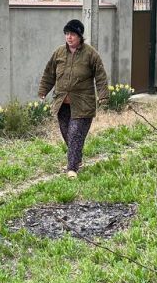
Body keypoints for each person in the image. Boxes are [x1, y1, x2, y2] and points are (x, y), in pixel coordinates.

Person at [37, 18, 109, 178]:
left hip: (83, 104)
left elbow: (101, 76)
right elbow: (49, 73)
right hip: (62, 103)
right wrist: (43, 90)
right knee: (67, 134)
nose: (69, 37)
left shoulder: (91, 54)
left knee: (75, 133)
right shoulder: (59, 53)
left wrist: (103, 95)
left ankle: (72, 169)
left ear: (80, 36)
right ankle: (76, 158)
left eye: (73, 34)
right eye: (67, 34)